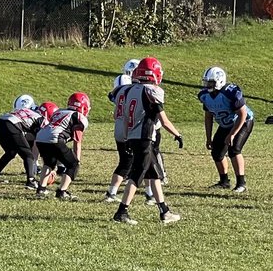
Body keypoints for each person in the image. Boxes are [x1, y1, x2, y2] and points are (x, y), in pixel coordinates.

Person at [111, 58, 182, 225]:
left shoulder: (127, 90)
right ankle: (121, 212)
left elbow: (125, 117)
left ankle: (165, 212)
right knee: (137, 175)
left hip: (133, 137)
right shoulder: (152, 92)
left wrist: (127, 138)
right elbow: (163, 121)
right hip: (145, 138)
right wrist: (178, 134)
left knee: (153, 174)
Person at [199, 66, 253, 193]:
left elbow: (243, 114)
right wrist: (208, 137)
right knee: (217, 152)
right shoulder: (205, 95)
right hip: (225, 125)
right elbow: (208, 116)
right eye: (206, 82)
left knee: (234, 149)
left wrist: (233, 134)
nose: (208, 85)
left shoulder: (230, 92)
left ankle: (241, 183)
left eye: (211, 82)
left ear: (219, 81)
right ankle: (224, 182)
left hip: (243, 122)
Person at [34, 92, 90, 200]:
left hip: (40, 138)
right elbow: (77, 141)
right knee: (72, 165)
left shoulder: (59, 111)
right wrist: (76, 161)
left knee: (49, 163)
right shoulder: (78, 117)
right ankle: (62, 192)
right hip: (55, 138)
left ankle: (41, 189)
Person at [0, 95, 46, 188]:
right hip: (11, 124)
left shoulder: (25, 112)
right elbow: (41, 139)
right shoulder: (41, 119)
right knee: (28, 155)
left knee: (11, 152)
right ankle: (31, 180)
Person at [103, 65, 136, 203]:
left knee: (125, 161)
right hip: (128, 127)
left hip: (118, 128)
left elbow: (116, 114)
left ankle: (112, 192)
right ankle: (150, 193)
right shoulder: (132, 91)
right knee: (133, 162)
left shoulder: (117, 95)